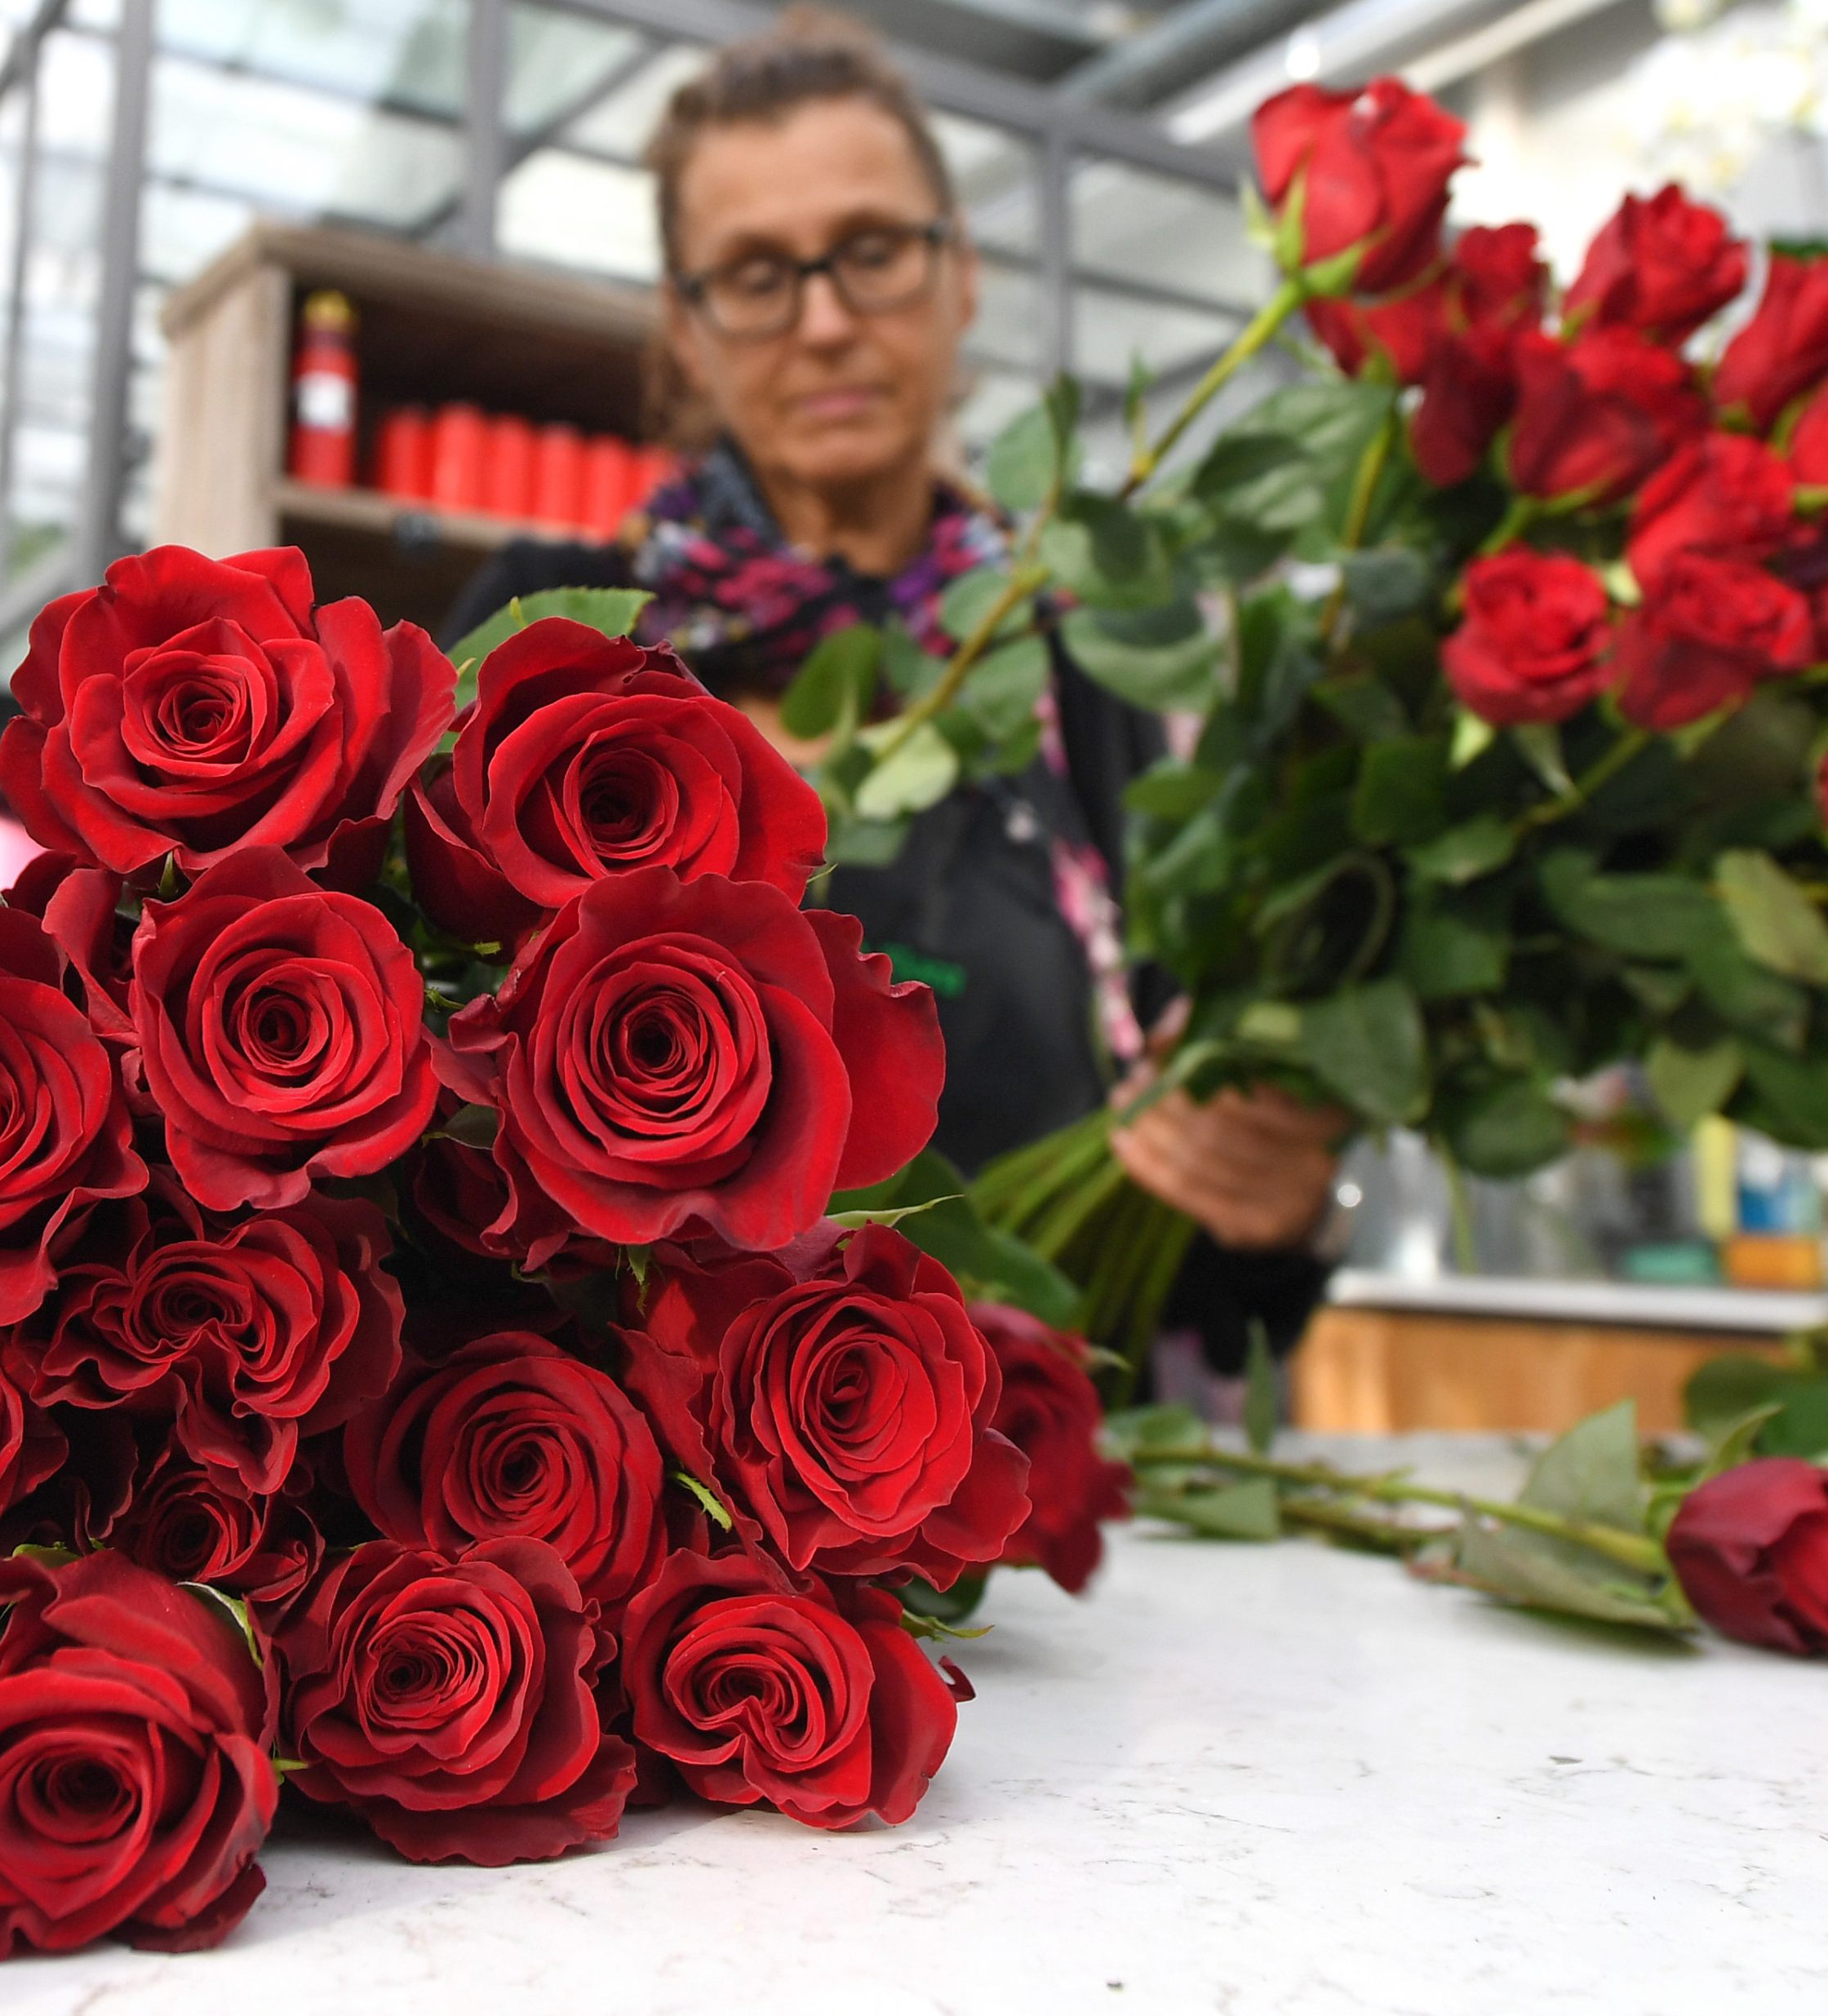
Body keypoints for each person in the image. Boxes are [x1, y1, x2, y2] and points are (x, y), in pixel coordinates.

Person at [446, 9, 1345, 1371]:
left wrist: (1277, 1203)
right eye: (752, 275)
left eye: (870, 252)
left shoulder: (1094, 666)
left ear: (960, 275)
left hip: (1028, 1452)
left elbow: (1206, 1256)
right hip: (625, 1478)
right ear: (683, 331)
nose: (822, 321)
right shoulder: (556, 643)